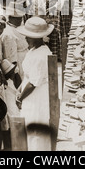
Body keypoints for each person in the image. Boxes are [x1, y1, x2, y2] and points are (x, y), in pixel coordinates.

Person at [15, 17, 54, 150]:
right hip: (29, 93)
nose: (26, 39)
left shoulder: (41, 55)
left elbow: (33, 83)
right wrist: (19, 88)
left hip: (36, 96)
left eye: (28, 37)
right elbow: (28, 76)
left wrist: (21, 97)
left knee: (35, 128)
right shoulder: (33, 50)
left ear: (37, 38)